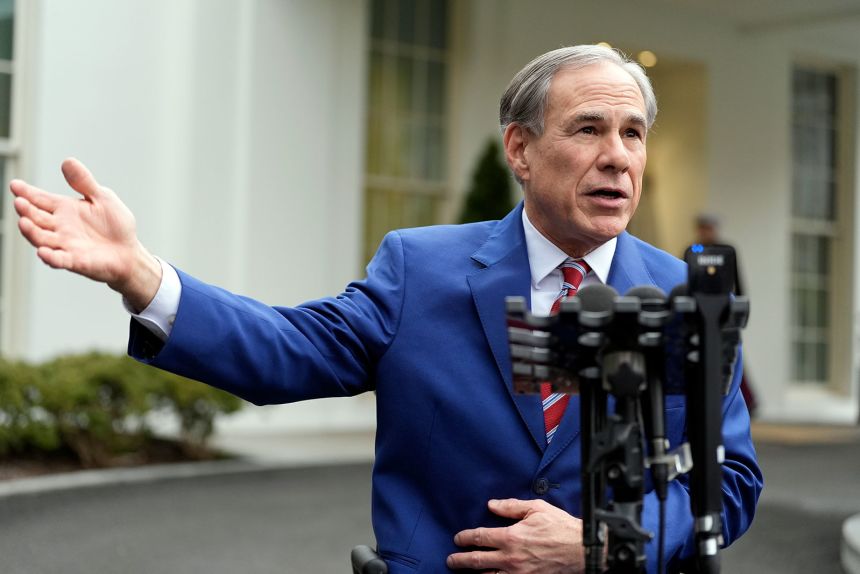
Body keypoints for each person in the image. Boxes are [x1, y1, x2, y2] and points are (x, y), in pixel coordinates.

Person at [10, 45, 762, 573]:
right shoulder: (420, 268)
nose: (619, 156)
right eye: (589, 128)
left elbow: (726, 485)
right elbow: (287, 351)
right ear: (520, 149)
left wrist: (599, 544)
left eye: (633, 133)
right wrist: (141, 275)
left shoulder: (688, 298)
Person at [693, 213, 759, 417]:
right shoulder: (694, 249)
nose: (705, 232)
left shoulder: (727, 250)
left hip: (723, 307)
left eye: (708, 228)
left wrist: (737, 306)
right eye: (702, 228)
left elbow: (737, 280)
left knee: (730, 352)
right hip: (701, 309)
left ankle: (745, 400)